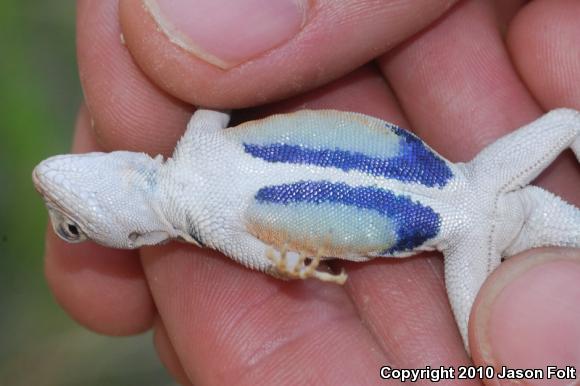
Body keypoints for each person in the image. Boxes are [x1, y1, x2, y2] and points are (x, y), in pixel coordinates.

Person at [45, 0, 580, 383]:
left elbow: (222, 71)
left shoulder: (196, 146)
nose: (57, 181)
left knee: (566, 122)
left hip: (475, 184)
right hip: (464, 229)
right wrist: (292, 266)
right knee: (492, 357)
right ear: (134, 234)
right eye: (73, 225)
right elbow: (277, 260)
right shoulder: (212, 226)